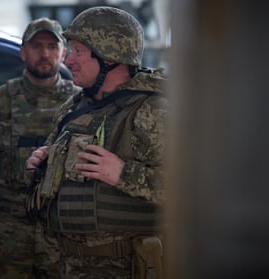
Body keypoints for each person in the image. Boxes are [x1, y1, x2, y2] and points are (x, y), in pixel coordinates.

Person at [25, 6, 167, 279]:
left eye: (78, 51)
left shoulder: (153, 111)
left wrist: (123, 174)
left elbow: (193, 192)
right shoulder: (75, 106)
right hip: (68, 264)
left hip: (127, 267)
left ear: (110, 57)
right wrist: (42, 168)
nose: (68, 60)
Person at [0, 18, 82, 278]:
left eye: (52, 46)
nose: (45, 54)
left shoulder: (80, 104)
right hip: (10, 230)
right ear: (23, 52)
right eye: (36, 46)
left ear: (63, 53)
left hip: (63, 229)